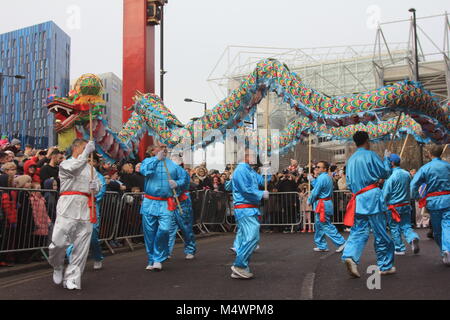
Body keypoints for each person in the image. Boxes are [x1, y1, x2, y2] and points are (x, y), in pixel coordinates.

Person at [341, 131, 395, 278]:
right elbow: (385, 173)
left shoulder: (351, 160)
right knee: (380, 232)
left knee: (358, 231)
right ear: (367, 140)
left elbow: (350, 183)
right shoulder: (370, 155)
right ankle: (385, 265)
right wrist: (386, 159)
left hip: (358, 198)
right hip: (372, 198)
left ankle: (350, 255)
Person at [48, 139, 100, 290]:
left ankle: (72, 278)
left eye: (88, 149)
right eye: (85, 148)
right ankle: (57, 265)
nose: (88, 151)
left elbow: (97, 185)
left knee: (81, 245)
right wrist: (85, 153)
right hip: (68, 204)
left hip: (85, 206)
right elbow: (74, 169)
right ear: (76, 148)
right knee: (58, 242)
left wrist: (95, 187)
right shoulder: (66, 164)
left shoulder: (91, 169)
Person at [139, 144, 188, 271]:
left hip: (166, 202)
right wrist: (156, 159)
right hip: (149, 202)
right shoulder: (147, 161)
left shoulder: (172, 165)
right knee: (149, 233)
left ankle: (158, 256)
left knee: (165, 229)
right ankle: (152, 259)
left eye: (164, 148)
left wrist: (177, 183)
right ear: (153, 150)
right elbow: (144, 171)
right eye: (159, 148)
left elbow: (185, 179)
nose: (163, 150)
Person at [229, 150, 270, 280]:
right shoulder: (241, 170)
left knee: (249, 237)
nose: (255, 157)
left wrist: (266, 169)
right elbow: (245, 190)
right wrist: (260, 194)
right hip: (244, 208)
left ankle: (241, 268)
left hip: (250, 208)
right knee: (252, 237)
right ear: (246, 157)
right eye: (253, 155)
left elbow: (264, 180)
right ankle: (239, 265)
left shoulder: (250, 170)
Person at [410, 145, 450, 266]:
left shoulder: (425, 168)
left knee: (437, 230)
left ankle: (445, 250)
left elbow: (413, 185)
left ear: (429, 154)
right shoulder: (448, 166)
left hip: (433, 201)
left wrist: (417, 197)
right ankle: (447, 249)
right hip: (448, 198)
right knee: (448, 224)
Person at [382, 154, 420, 256]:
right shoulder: (407, 174)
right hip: (406, 204)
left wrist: (382, 204)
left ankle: (399, 248)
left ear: (392, 163)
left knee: (394, 227)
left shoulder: (391, 177)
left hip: (394, 206)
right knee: (406, 225)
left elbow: (385, 193)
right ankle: (412, 237)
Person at [307, 161, 346, 253]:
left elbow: (316, 191)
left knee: (325, 225)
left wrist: (309, 200)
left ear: (324, 169)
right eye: (316, 166)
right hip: (324, 203)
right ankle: (321, 245)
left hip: (322, 204)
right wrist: (312, 180)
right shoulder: (325, 177)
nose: (316, 168)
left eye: (319, 167)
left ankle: (341, 242)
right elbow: (318, 187)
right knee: (319, 226)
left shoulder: (322, 178)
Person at [167, 156, 197, 260]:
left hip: (183, 202)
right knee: (169, 227)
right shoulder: (168, 172)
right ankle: (167, 251)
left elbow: (184, 182)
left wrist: (176, 185)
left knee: (186, 227)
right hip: (171, 202)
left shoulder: (183, 173)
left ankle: (190, 249)